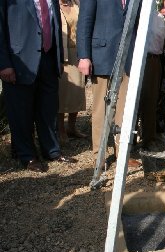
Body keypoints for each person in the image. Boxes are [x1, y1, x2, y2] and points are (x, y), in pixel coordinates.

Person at [0, 0, 77, 172]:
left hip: (48, 59)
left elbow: (54, 25)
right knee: (21, 113)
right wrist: (4, 63)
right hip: (19, 62)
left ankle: (52, 150)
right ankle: (27, 156)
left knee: (48, 109)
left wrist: (58, 58)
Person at [77, 0, 141, 167]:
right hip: (102, 56)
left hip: (128, 58)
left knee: (124, 110)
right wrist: (84, 56)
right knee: (101, 110)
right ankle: (100, 154)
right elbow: (84, 22)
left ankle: (122, 153)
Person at [58, 0, 87, 144]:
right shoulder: (53, 5)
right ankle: (61, 130)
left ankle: (72, 127)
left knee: (77, 91)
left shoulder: (77, 5)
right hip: (62, 53)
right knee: (62, 93)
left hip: (77, 53)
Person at [139, 9, 165, 151]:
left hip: (155, 60)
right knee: (133, 100)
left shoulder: (160, 17)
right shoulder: (137, 12)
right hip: (139, 58)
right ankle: (128, 141)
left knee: (150, 101)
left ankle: (149, 139)